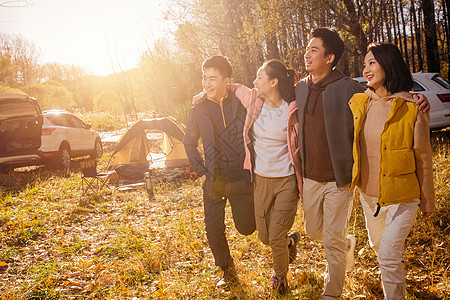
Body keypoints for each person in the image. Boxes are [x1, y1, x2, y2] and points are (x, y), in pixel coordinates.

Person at [286, 27, 430, 299]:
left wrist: (417, 98)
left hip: (344, 180)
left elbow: (388, 96)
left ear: (329, 57)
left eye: (313, 49)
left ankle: (333, 291)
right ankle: (343, 245)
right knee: (316, 231)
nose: (306, 53)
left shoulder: (352, 90)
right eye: (307, 49)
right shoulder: (304, 88)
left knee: (350, 246)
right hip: (324, 179)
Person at [348, 42, 435, 299]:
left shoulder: (412, 108)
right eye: (364, 65)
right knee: (379, 248)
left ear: (389, 63)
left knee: (387, 255)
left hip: (403, 198)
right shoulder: (359, 103)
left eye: (372, 63)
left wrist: (427, 199)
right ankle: (396, 281)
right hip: (369, 196)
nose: (366, 69)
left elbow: (424, 157)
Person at [229, 60, 302, 296]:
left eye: (259, 77)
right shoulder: (254, 102)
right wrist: (202, 94)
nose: (255, 81)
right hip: (260, 179)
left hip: (286, 182)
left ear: (274, 82)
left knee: (275, 235)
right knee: (265, 237)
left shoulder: (293, 109)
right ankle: (291, 243)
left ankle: (280, 279)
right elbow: (232, 86)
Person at [183, 55, 256, 288]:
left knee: (247, 228)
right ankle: (227, 270)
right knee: (213, 227)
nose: (207, 84)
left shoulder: (240, 103)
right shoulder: (197, 110)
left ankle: (284, 242)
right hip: (213, 179)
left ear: (226, 80)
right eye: (204, 78)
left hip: (239, 177)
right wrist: (202, 172)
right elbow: (188, 142)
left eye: (213, 79)